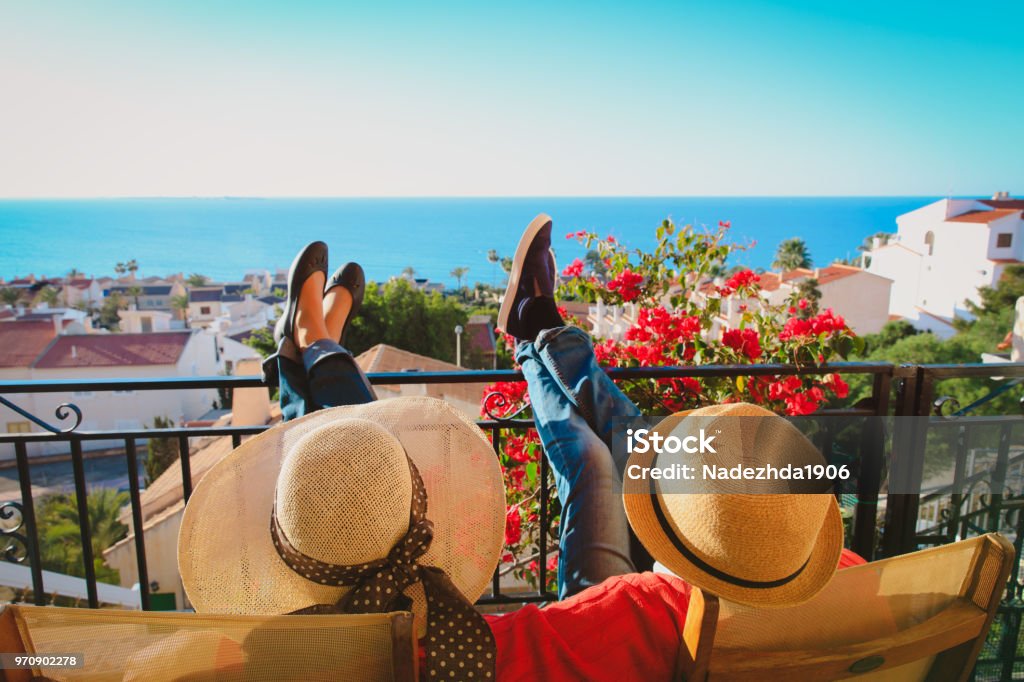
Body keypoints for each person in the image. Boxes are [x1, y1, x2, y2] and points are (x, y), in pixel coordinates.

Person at [180, 227, 864, 680]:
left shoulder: (630, 612)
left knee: (365, 480)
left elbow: (453, 644)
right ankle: (527, 329)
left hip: (622, 649)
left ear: (678, 533)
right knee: (597, 461)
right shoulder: (855, 588)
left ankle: (310, 351)